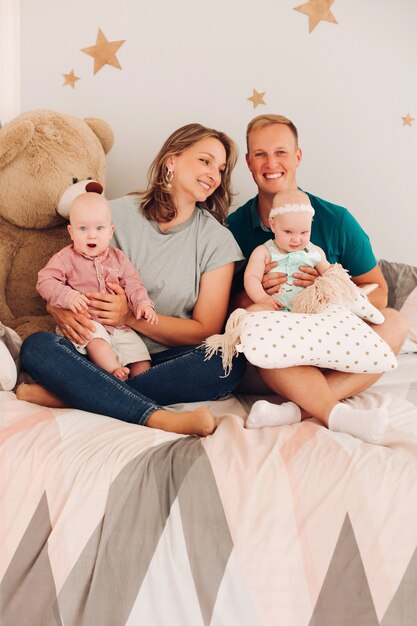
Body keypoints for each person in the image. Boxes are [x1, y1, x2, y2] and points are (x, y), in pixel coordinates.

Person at [18, 123, 246, 436]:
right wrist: (58, 308)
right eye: (205, 161)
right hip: (97, 350)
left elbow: (204, 331)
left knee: (228, 361)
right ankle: (155, 416)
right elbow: (64, 273)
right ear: (172, 160)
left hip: (162, 360)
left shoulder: (217, 241)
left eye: (220, 169)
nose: (213, 174)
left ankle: (72, 394)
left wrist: (129, 316)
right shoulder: (112, 214)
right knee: (37, 346)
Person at [226, 114, 408, 442]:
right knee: (262, 328)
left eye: (281, 152)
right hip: (276, 351)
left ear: (297, 156)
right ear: (250, 162)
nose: (271, 163)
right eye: (260, 154)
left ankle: (298, 409)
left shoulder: (336, 220)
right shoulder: (233, 227)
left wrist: (330, 291)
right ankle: (332, 410)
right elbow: (225, 310)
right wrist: (259, 296)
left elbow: (379, 292)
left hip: (331, 340)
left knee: (395, 323)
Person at [37, 193, 158, 381]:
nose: (92, 235)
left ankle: (145, 382)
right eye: (83, 228)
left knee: (138, 352)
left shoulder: (119, 258)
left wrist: (143, 303)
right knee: (97, 339)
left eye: (99, 228)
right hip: (85, 321)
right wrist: (68, 296)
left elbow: (133, 282)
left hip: (118, 325)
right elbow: (45, 281)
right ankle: (113, 372)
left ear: (111, 232)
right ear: (71, 232)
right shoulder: (65, 258)